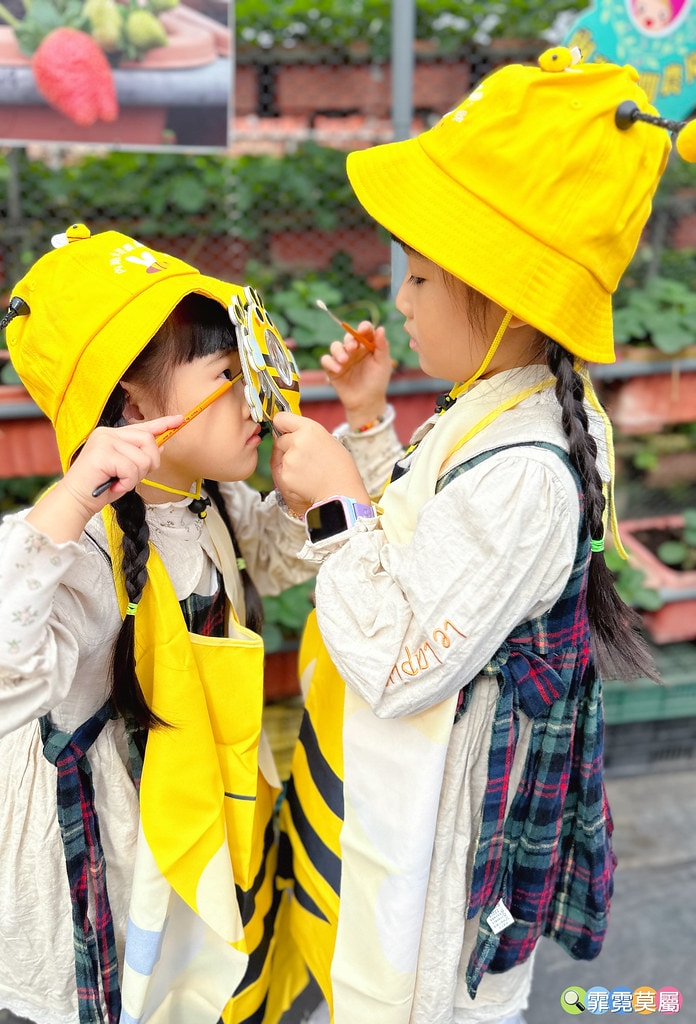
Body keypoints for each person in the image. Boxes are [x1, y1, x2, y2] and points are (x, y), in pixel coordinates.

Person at [268, 49, 696, 1024]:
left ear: (504, 299)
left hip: (446, 843)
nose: (402, 301)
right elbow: (426, 551)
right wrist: (371, 423)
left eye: (419, 277)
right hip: (424, 804)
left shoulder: (523, 474)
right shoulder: (498, 413)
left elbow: (399, 660)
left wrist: (337, 501)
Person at [0, 223, 316, 1024]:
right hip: (97, 846)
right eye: (226, 375)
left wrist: (349, 450)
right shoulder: (79, 557)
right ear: (135, 408)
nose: (257, 397)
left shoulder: (210, 500)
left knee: (181, 987)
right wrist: (65, 506)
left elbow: (281, 558)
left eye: (255, 369)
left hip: (183, 813)